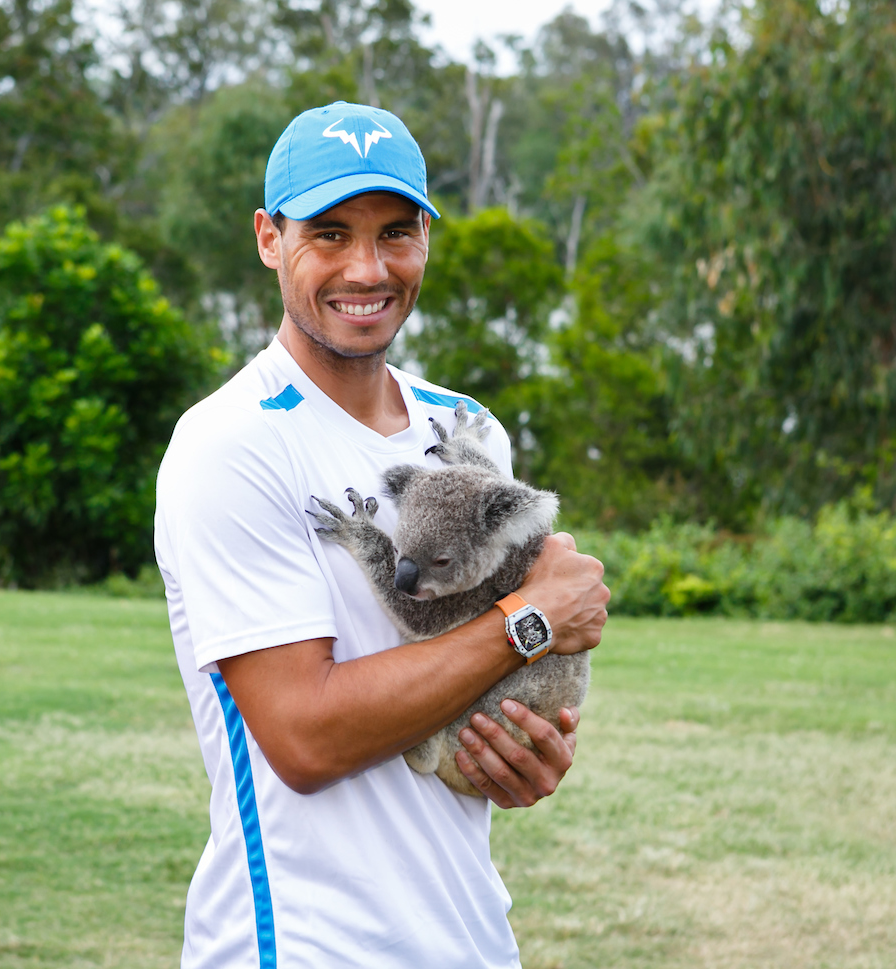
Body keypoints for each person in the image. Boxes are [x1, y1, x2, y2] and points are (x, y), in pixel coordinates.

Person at [154, 100, 610, 969]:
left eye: (396, 232)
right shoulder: (231, 441)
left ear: (428, 239)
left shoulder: (467, 428)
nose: (367, 267)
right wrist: (532, 617)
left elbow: (499, 684)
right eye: (330, 233)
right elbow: (305, 736)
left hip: (468, 936)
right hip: (301, 945)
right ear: (268, 238)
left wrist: (529, 752)